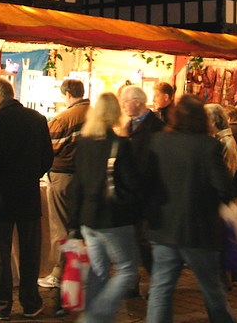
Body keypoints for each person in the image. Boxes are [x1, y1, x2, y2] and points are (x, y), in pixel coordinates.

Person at [144, 95, 237, 323]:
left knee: (161, 288)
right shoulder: (207, 145)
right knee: (211, 286)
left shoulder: (159, 141)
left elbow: (147, 182)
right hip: (199, 229)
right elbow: (223, 186)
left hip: (163, 226)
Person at [0, 78, 53, 320]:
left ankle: (0, 304)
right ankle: (31, 302)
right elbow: (47, 158)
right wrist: (32, 176)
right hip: (28, 194)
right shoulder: (37, 120)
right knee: (30, 250)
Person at [65, 92, 142, 323]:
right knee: (127, 268)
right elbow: (130, 183)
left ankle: (93, 315)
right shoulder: (119, 144)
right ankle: (96, 316)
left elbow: (75, 185)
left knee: (98, 271)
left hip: (89, 218)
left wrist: (74, 222)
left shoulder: (85, 144)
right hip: (112, 218)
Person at [38, 78, 90, 290]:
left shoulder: (63, 119)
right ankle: (80, 272)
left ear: (67, 94)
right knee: (79, 226)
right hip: (87, 178)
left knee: (60, 226)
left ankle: (59, 272)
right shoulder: (95, 114)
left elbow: (48, 148)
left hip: (64, 177)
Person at [120, 84, 163, 293]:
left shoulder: (156, 127)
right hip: (132, 194)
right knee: (133, 240)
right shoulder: (129, 126)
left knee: (145, 241)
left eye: (125, 101)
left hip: (148, 194)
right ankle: (134, 283)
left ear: (137, 102)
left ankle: (159, 283)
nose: (123, 106)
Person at [206, 103, 237, 201]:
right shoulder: (220, 139)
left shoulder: (226, 141)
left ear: (213, 122)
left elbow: (228, 171)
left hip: (229, 197)